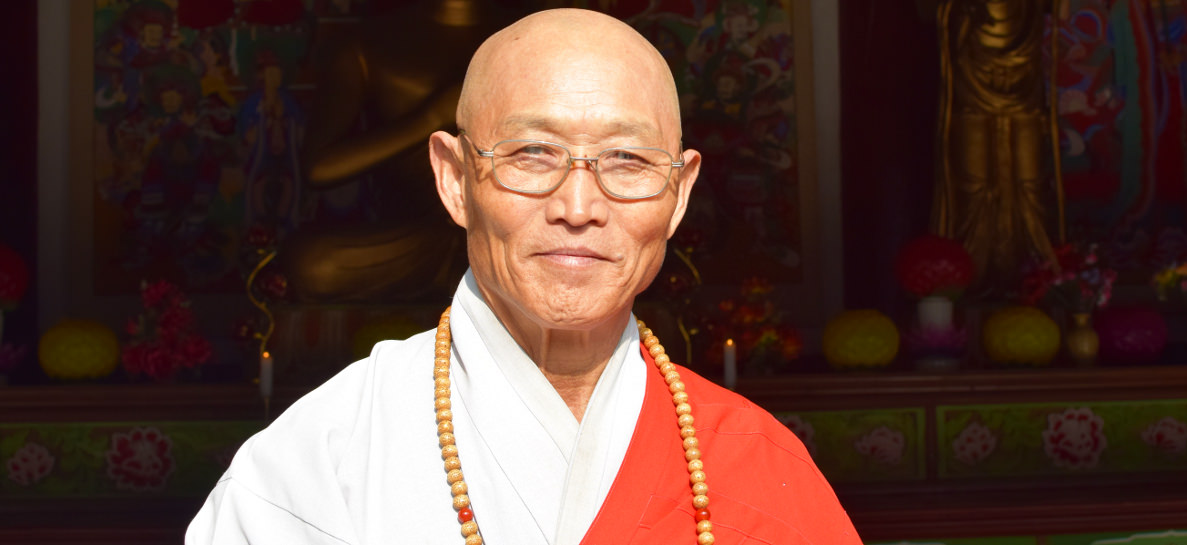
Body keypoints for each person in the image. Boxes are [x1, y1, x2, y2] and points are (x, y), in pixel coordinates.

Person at [187, 8, 860, 545]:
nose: (578, 207)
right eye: (532, 153)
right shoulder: (321, 462)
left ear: (680, 194)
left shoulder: (757, 463)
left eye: (626, 159)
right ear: (453, 179)